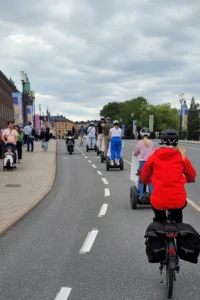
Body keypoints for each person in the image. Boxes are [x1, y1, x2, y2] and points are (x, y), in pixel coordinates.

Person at [141, 129, 196, 223]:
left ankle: (159, 225)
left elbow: (144, 176)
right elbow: (191, 175)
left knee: (159, 218)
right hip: (177, 200)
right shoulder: (182, 157)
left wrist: (146, 181)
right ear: (177, 141)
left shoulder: (153, 156)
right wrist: (190, 180)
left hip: (158, 200)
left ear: (162, 140)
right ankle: (178, 228)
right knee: (178, 216)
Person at [133, 128, 154, 200]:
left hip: (142, 163)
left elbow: (135, 152)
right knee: (150, 179)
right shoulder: (151, 143)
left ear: (141, 134)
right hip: (150, 162)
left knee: (141, 179)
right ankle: (152, 194)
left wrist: (135, 154)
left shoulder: (140, 142)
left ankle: (140, 195)